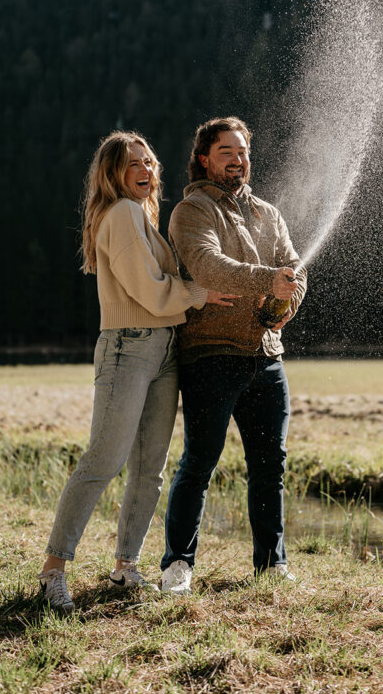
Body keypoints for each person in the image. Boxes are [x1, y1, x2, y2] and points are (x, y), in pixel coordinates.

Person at [38, 130, 237, 612]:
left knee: (149, 470)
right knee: (103, 461)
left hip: (163, 347)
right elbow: (149, 290)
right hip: (129, 347)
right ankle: (52, 571)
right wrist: (197, 294)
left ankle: (126, 567)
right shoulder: (123, 213)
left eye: (150, 162)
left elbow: (159, 285)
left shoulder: (143, 217)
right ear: (112, 173)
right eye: (134, 164)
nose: (147, 171)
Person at [160, 116, 307, 595]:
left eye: (243, 151)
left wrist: (283, 302)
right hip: (210, 354)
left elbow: (294, 272)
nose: (238, 160)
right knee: (200, 461)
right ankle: (178, 565)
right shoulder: (192, 211)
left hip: (267, 356)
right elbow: (208, 266)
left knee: (271, 465)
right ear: (205, 158)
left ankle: (272, 565)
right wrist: (269, 280)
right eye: (227, 152)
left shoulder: (269, 213)